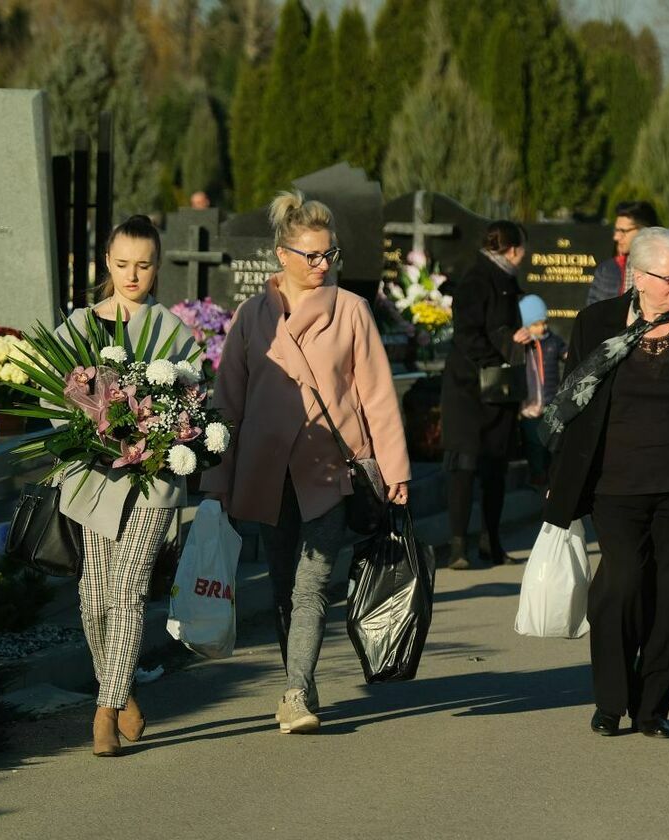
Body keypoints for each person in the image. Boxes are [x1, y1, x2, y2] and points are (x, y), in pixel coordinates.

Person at [202, 190, 410, 734]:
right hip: (268, 471)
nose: (322, 266)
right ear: (282, 254)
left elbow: (378, 396)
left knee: (311, 585)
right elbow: (229, 400)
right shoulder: (252, 316)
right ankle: (302, 677)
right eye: (312, 255)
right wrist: (216, 479)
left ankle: (295, 692)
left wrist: (396, 470)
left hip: (329, 470)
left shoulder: (352, 311)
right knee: (279, 587)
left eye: (330, 255)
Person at [542, 227, 669, 739]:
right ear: (636, 275)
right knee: (623, 585)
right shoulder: (596, 323)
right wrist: (559, 480)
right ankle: (611, 700)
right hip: (614, 484)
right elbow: (573, 402)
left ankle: (653, 707)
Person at [55, 215, 197, 756]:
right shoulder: (79, 327)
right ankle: (124, 690)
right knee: (93, 597)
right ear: (106, 263)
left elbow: (191, 402)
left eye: (143, 264)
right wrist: (85, 428)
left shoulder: (173, 332)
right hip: (93, 478)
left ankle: (104, 712)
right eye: (121, 264)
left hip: (151, 479)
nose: (131, 275)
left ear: (158, 266)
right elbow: (55, 399)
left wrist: (164, 433)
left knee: (128, 589)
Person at [439, 221, 534, 570]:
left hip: (498, 386)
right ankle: (458, 545)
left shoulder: (507, 280)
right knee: (464, 466)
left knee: (495, 467)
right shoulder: (477, 279)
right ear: (511, 249)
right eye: (522, 249)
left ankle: (490, 541)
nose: (524, 256)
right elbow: (468, 333)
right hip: (469, 386)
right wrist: (504, 351)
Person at [516, 294, 567, 487]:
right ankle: (537, 474)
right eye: (536, 324)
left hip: (552, 401)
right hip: (530, 406)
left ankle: (552, 478)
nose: (542, 328)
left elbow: (566, 353)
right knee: (534, 443)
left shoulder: (553, 341)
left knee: (553, 443)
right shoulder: (523, 345)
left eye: (544, 322)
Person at [586, 200, 659, 306]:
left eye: (623, 231)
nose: (616, 237)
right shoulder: (606, 270)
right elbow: (592, 314)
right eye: (616, 230)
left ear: (645, 231)